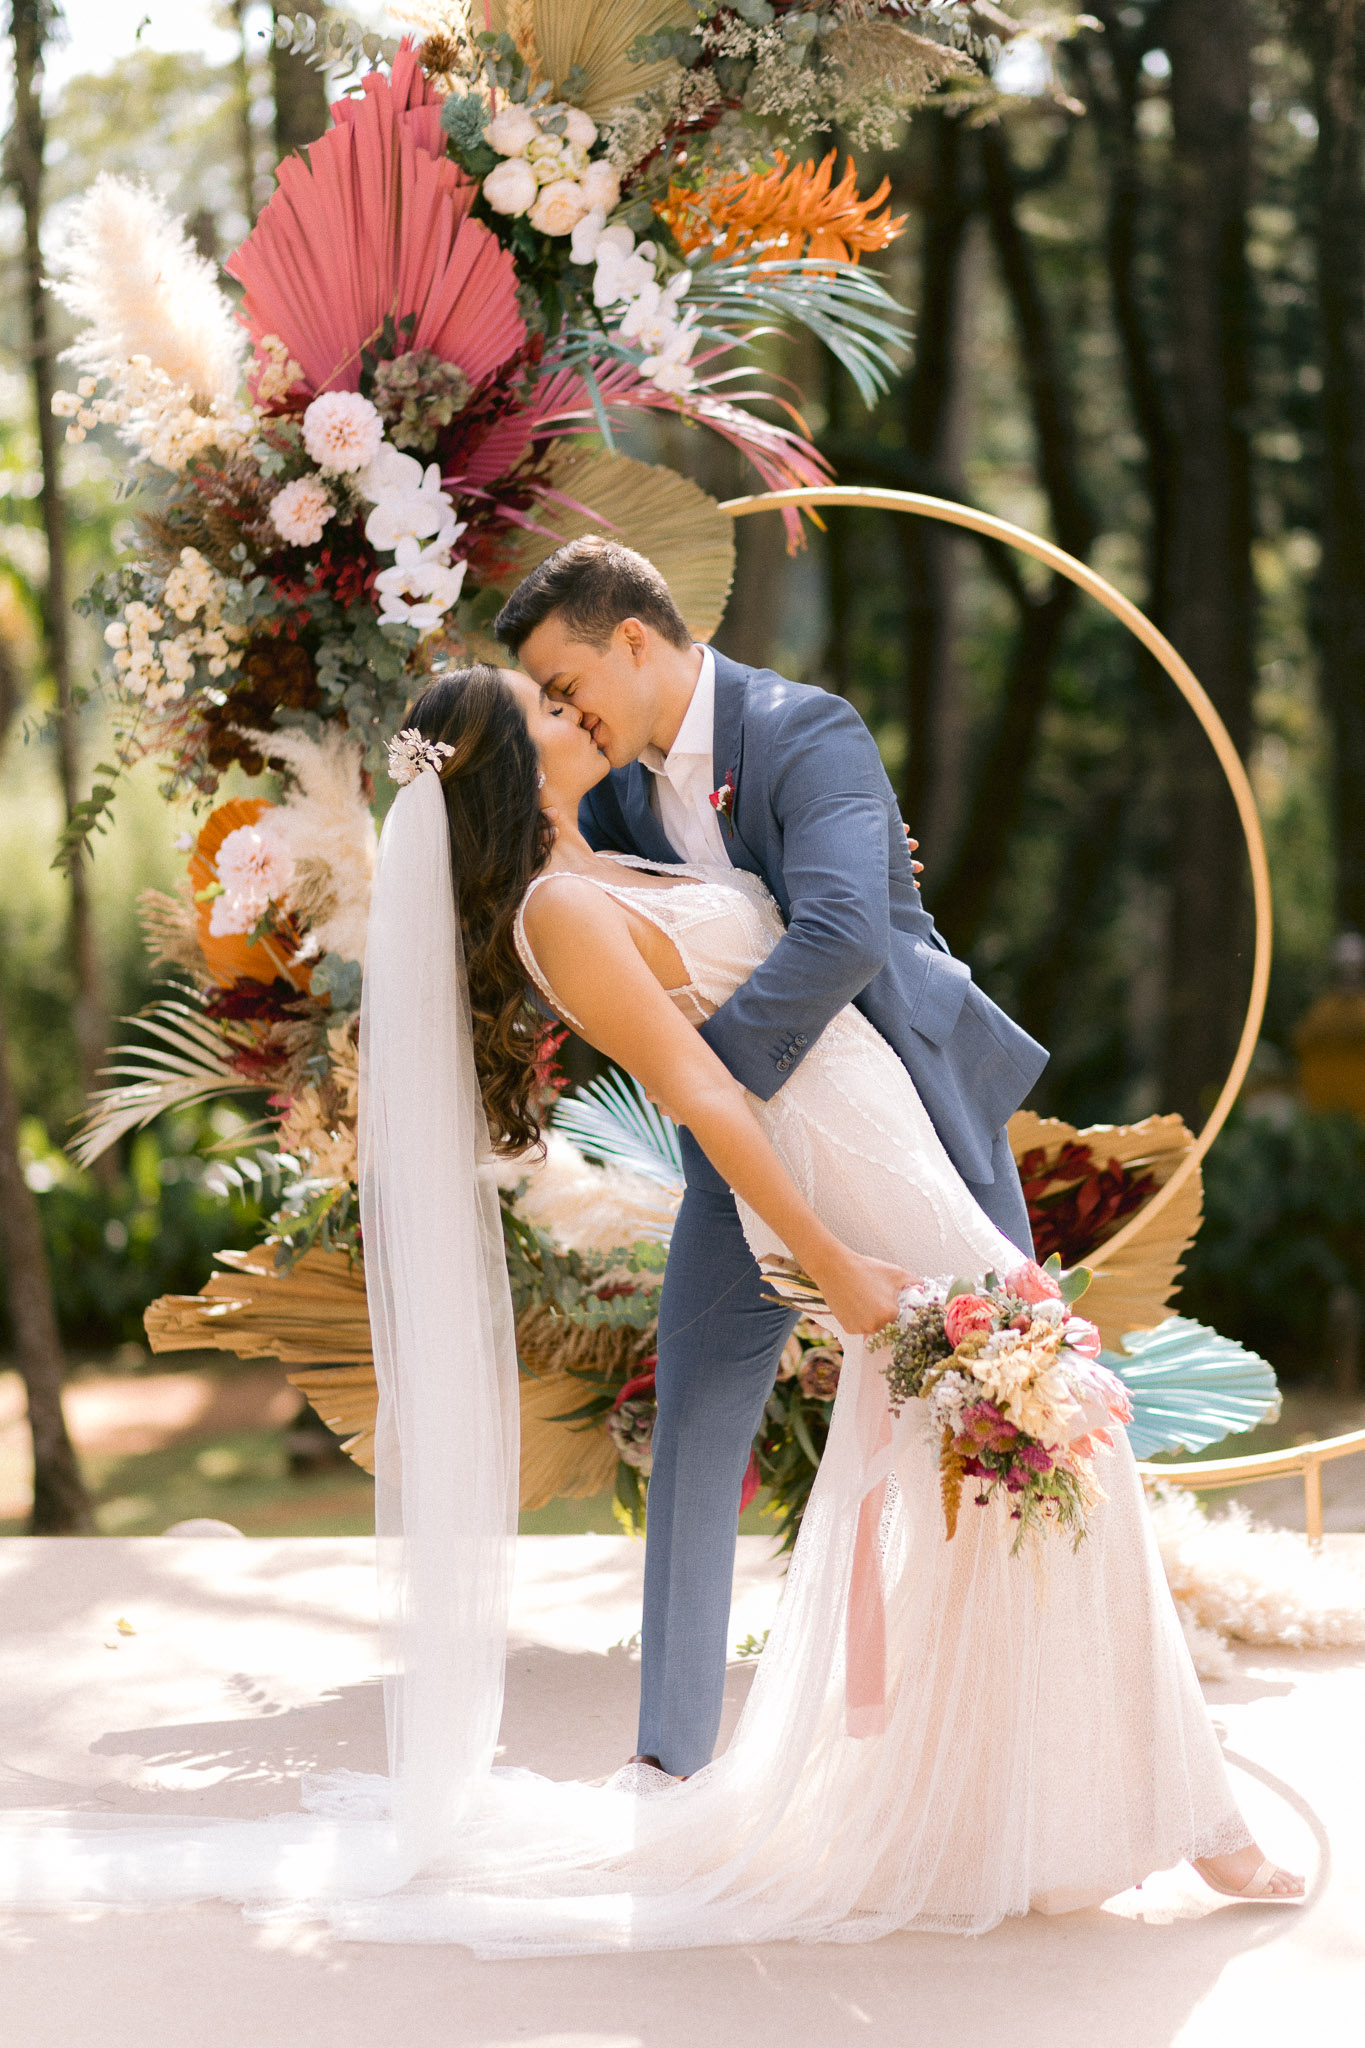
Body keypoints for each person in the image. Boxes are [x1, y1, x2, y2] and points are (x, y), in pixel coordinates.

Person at [492, 537, 1049, 1781]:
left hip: (904, 1116)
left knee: (1012, 1399)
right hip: (743, 1155)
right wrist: (721, 1120)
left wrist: (706, 1084)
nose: (567, 709)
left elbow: (849, 926)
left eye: (569, 676)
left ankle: (1020, 1734)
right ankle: (669, 1759)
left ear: (634, 634)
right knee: (693, 1420)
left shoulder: (805, 727)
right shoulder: (619, 795)